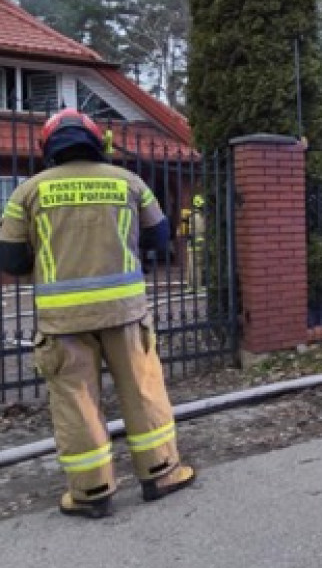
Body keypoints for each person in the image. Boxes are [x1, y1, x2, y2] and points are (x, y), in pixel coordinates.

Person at [0, 109, 195, 519]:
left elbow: (13, 260)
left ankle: (92, 492)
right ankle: (160, 473)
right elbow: (161, 238)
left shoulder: (27, 193)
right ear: (98, 142)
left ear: (47, 147)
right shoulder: (129, 183)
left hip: (62, 323)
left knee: (76, 402)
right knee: (143, 393)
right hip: (126, 313)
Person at [182, 193, 206, 291]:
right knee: (198, 266)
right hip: (200, 244)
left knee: (190, 265)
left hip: (190, 244)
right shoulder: (202, 217)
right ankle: (197, 286)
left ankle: (190, 286)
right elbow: (204, 230)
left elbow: (183, 231)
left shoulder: (188, 215)